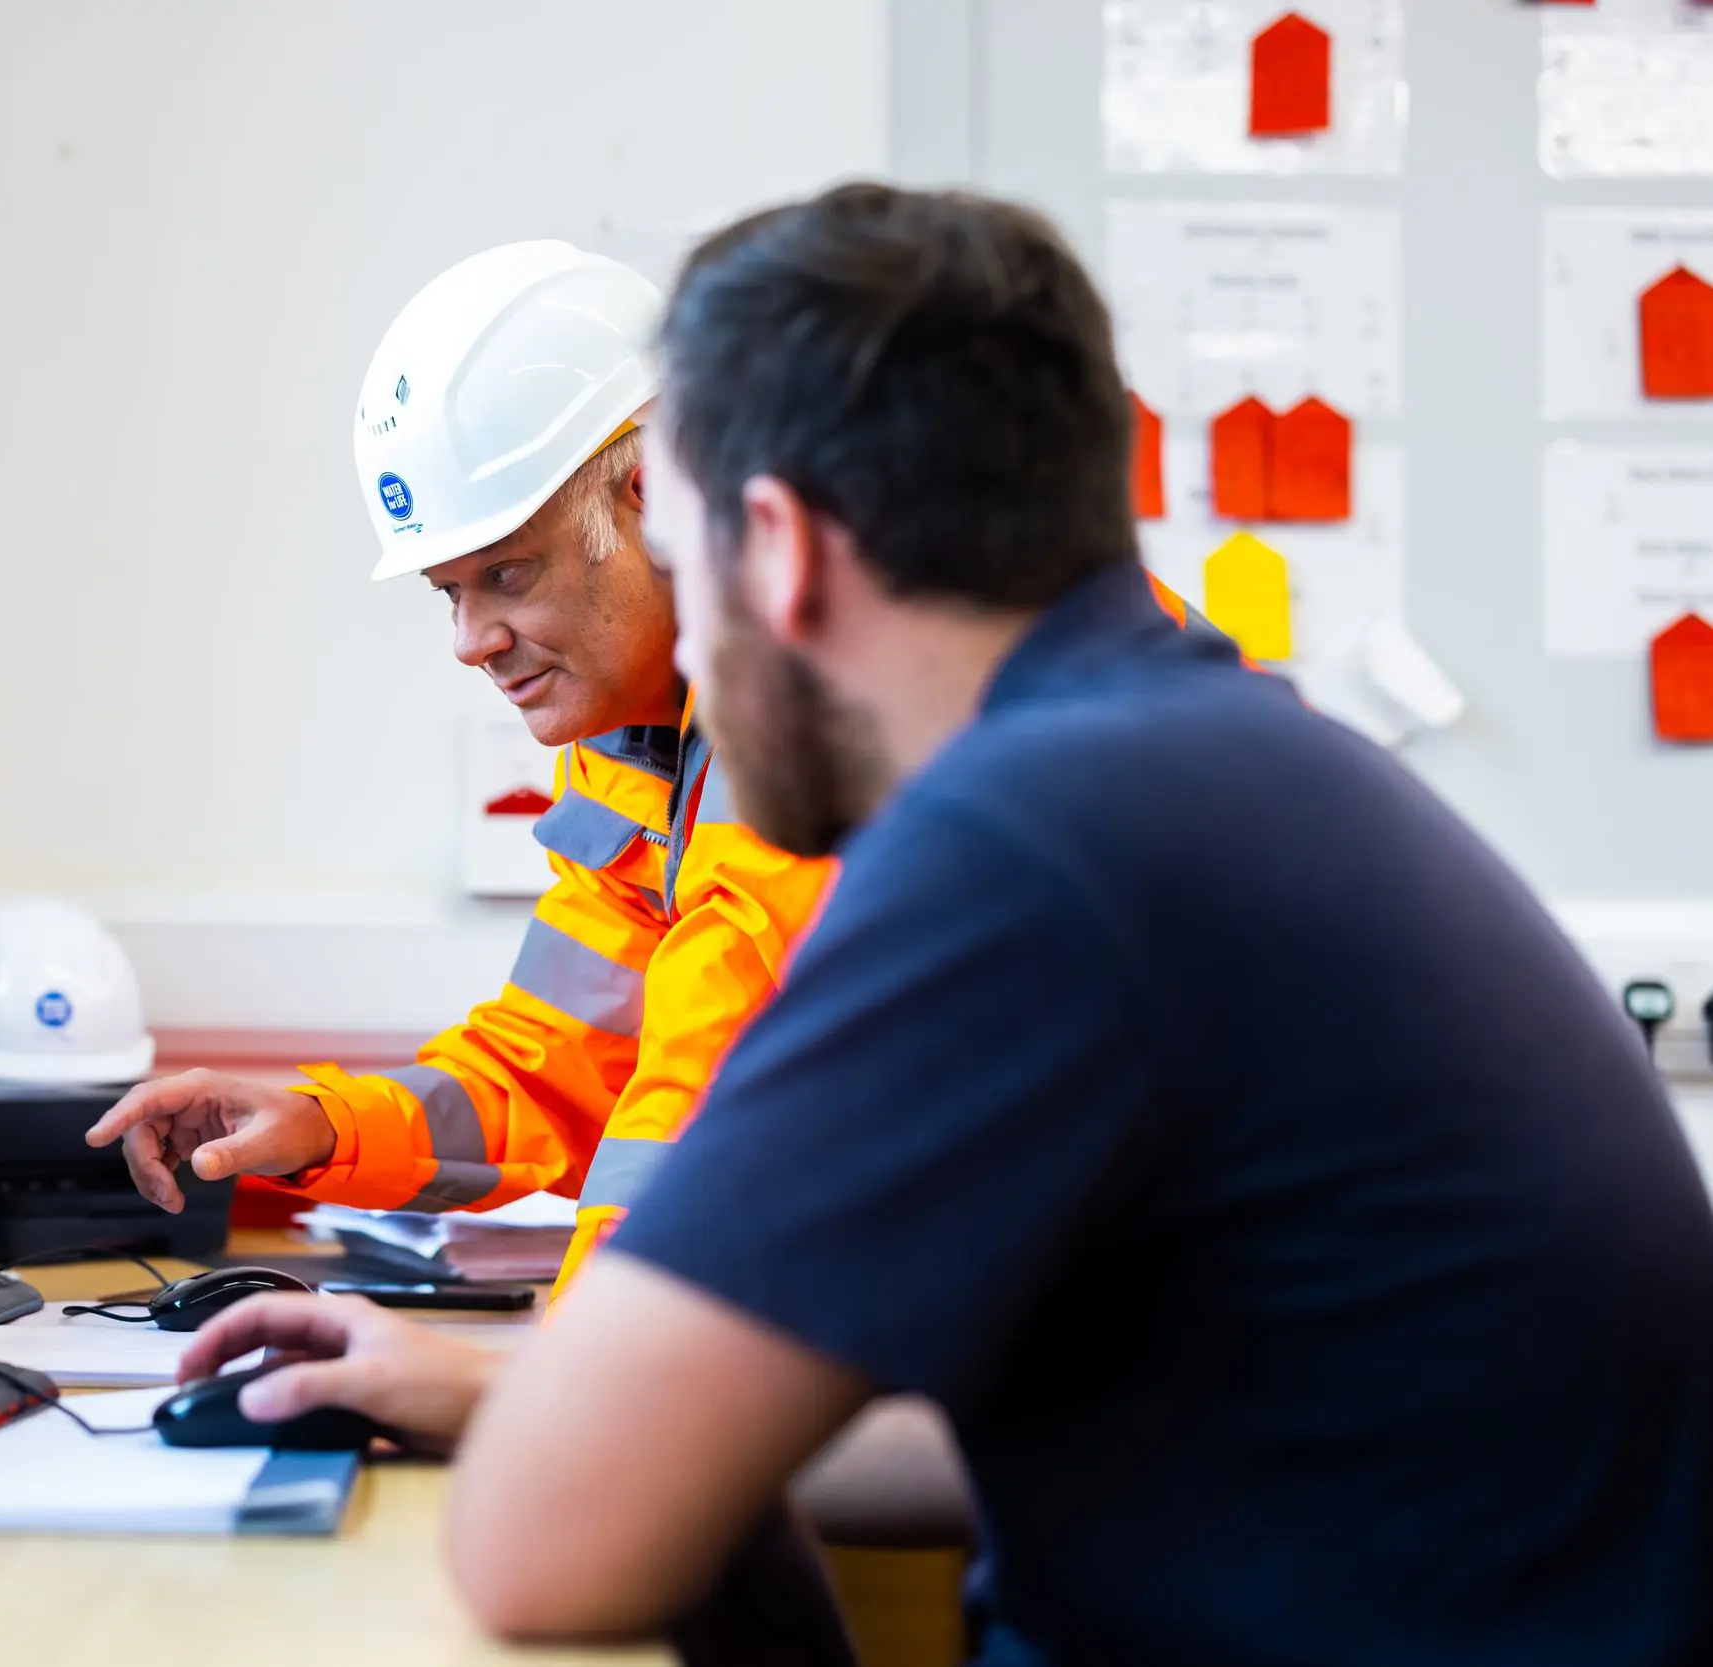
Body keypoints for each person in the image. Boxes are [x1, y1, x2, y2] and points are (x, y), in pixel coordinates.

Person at [180, 184, 1713, 1663]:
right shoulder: (1192, 757)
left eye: (685, 552)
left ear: (770, 545)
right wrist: (515, 1391)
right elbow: (1088, 1429)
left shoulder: (1032, 844)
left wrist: (567, 1414)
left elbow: (545, 1545)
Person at [89, 240, 1222, 1295]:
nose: (470, 640)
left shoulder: (840, 666)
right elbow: (560, 1069)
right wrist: (324, 1124)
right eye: (448, 592)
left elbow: (709, 1097)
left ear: (647, 499)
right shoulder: (640, 732)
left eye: (508, 575)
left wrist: (566, 1382)